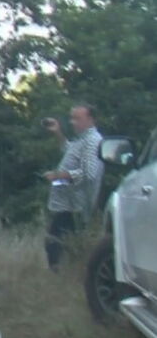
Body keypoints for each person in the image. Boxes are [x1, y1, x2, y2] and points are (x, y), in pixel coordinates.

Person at [42, 103, 104, 271]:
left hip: (77, 206)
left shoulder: (92, 141)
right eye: (72, 118)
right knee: (60, 242)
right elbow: (70, 151)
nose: (73, 122)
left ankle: (60, 274)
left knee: (55, 241)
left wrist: (59, 176)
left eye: (77, 118)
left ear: (90, 119)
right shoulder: (82, 139)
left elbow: (90, 173)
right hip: (69, 203)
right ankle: (65, 272)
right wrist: (58, 133)